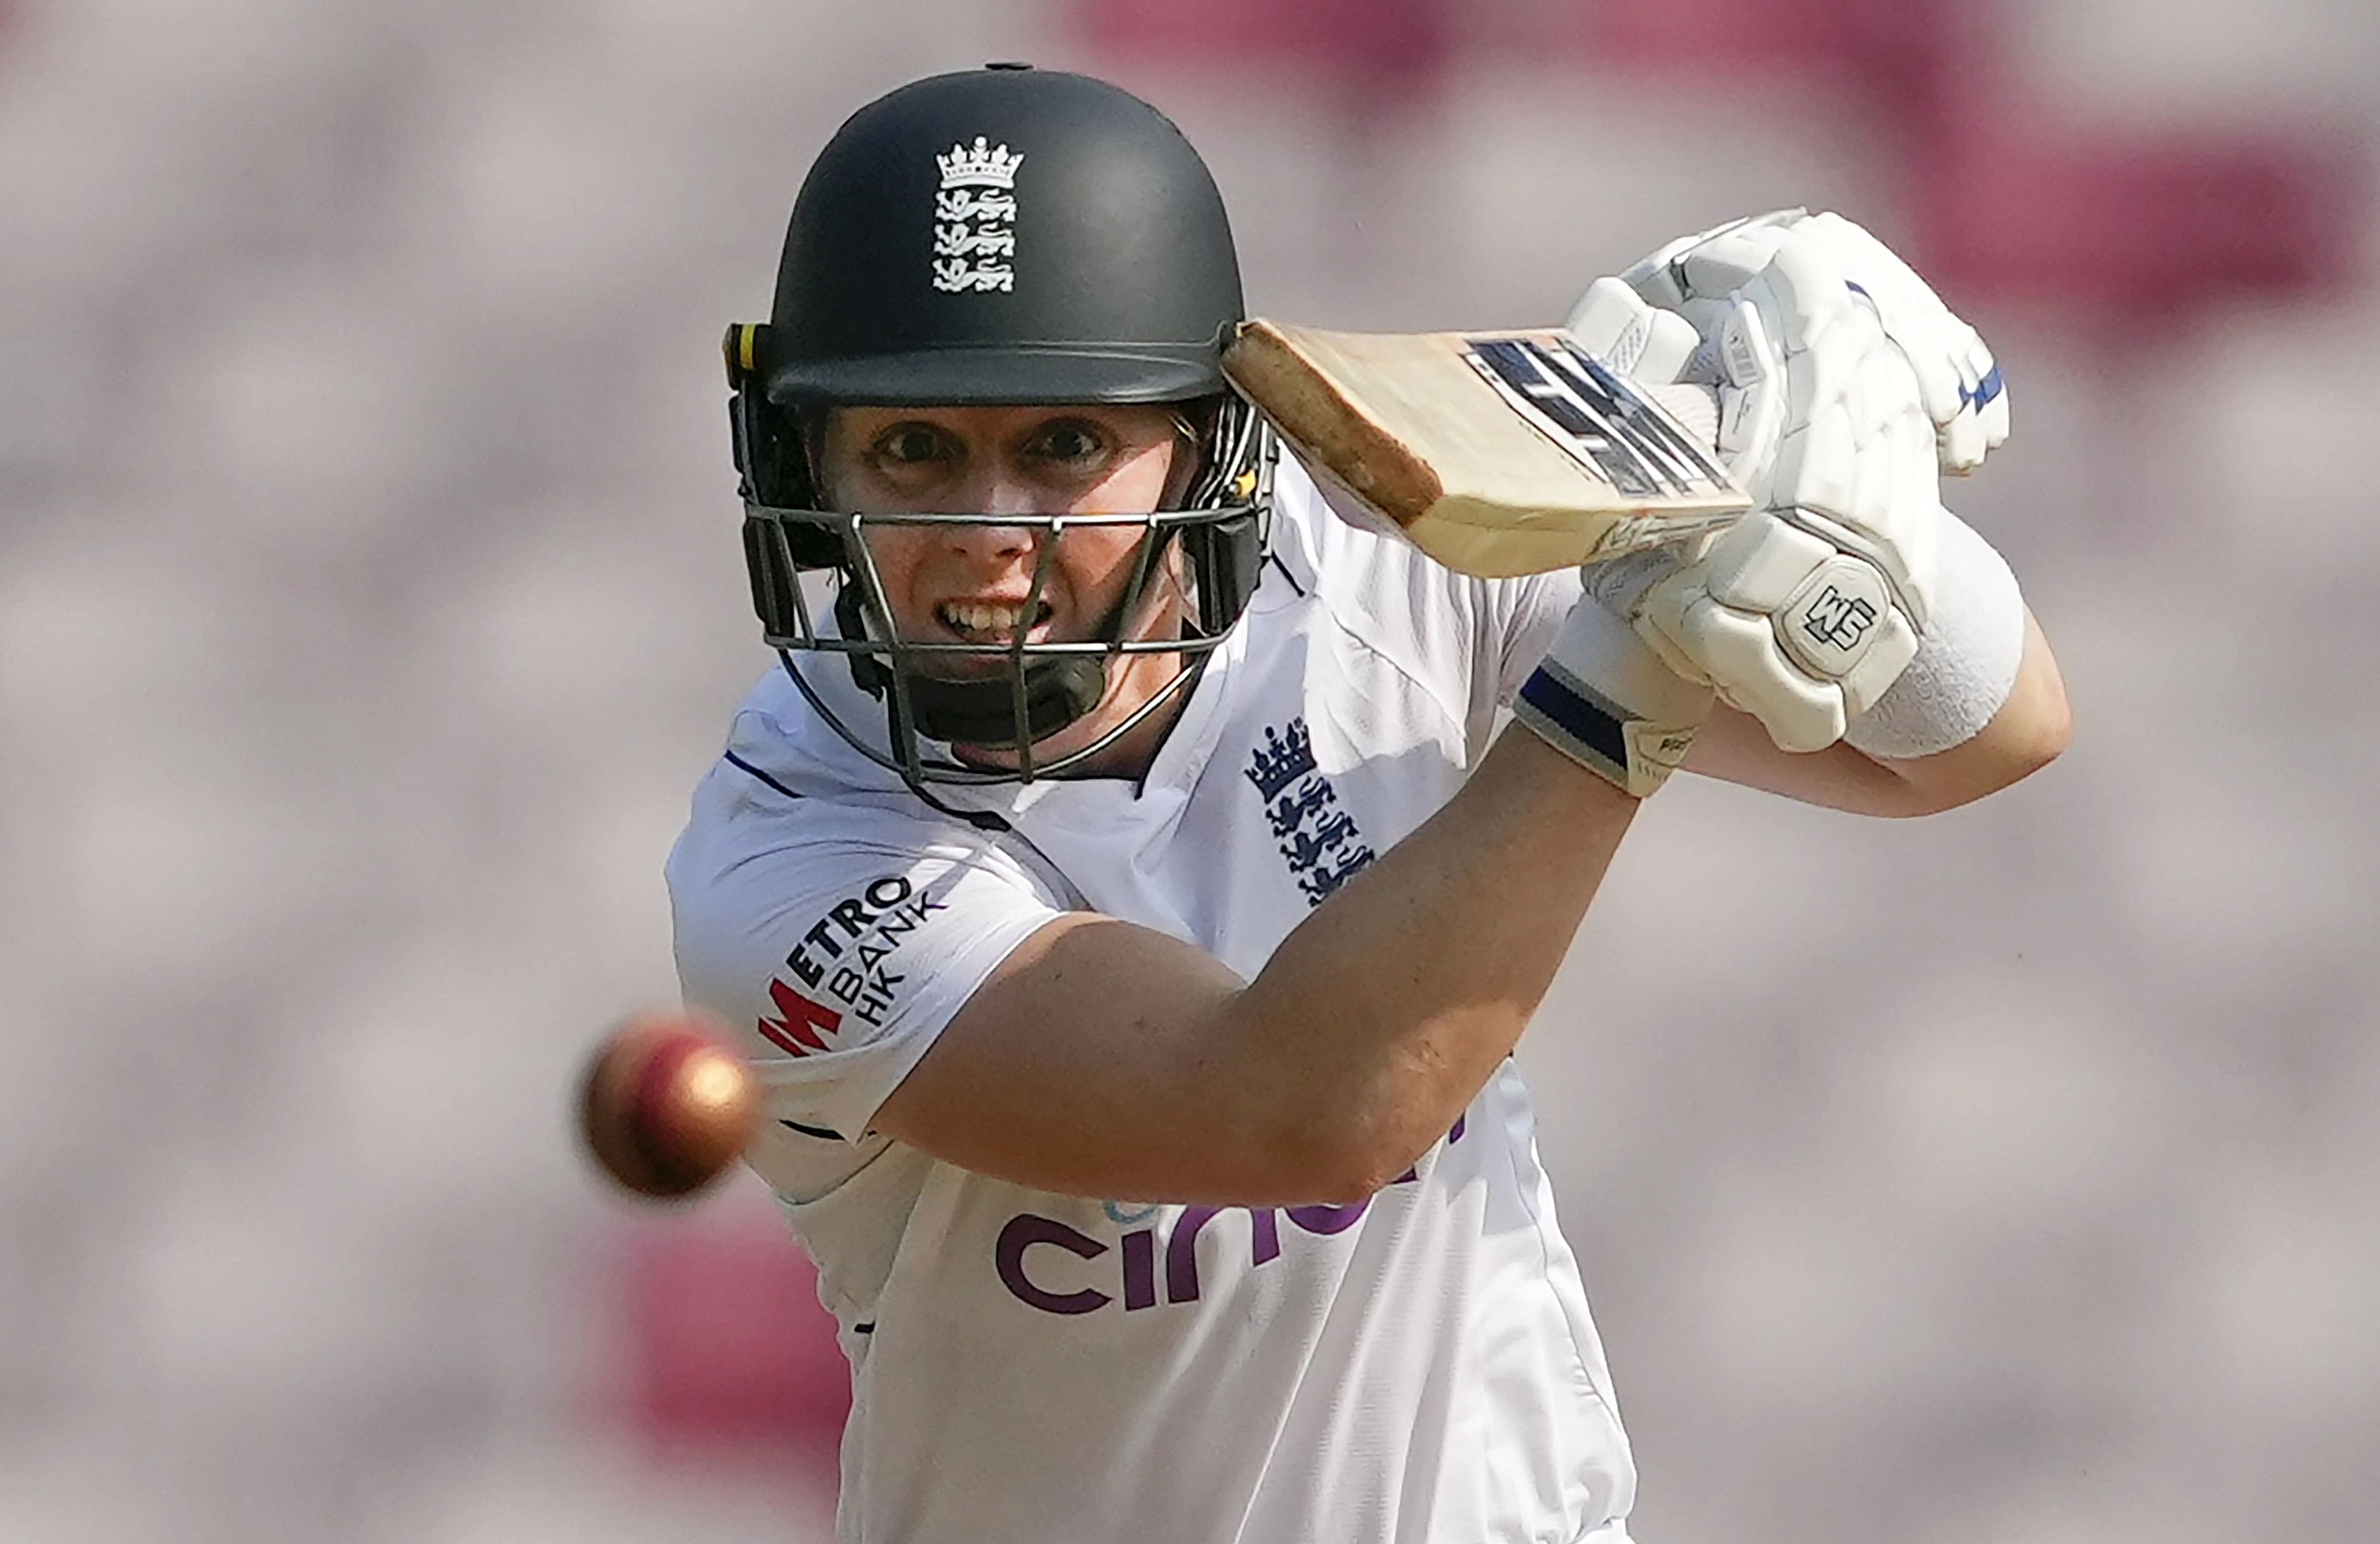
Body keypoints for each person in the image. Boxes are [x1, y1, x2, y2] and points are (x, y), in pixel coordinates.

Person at [668, 64, 2068, 1543]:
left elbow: (1984, 740)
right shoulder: (790, 866)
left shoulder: (1373, 567)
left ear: (1209, 441)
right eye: (912, 451)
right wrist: (1620, 684)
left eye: (1066, 444)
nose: (989, 535)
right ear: (799, 463)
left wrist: (1814, 481)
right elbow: (1298, 1108)